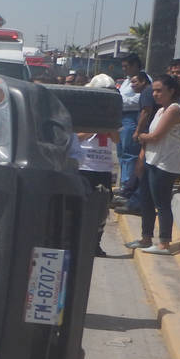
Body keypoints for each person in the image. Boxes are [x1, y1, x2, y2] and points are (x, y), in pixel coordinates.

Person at [128, 74, 180, 255]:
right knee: (146, 200)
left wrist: (139, 136)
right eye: (154, 91)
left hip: (165, 164)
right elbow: (150, 139)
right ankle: (146, 238)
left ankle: (164, 243)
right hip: (151, 161)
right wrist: (141, 156)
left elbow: (154, 137)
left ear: (172, 91)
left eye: (159, 91)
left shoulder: (174, 110)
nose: (155, 94)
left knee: (161, 204)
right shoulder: (161, 110)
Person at [77, 74, 120, 256]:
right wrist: (94, 128)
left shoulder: (111, 115)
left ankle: (95, 244)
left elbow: (117, 139)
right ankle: (78, 242)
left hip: (103, 169)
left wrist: (109, 126)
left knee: (102, 210)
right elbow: (76, 137)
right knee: (79, 208)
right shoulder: (83, 111)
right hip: (83, 167)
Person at [116, 54, 143, 197]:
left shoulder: (143, 80)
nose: (124, 69)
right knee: (121, 153)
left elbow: (139, 100)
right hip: (121, 118)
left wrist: (118, 99)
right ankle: (123, 184)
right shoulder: (126, 81)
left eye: (127, 66)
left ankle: (128, 187)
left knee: (129, 154)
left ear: (135, 66)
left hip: (132, 118)